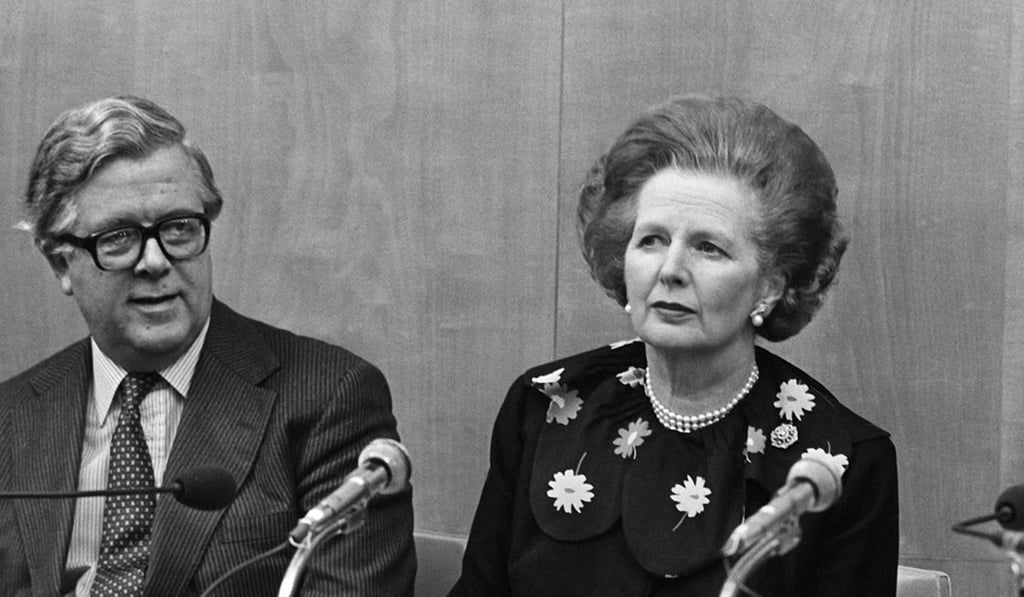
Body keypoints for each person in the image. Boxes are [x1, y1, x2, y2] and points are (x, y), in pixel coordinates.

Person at [449, 95, 898, 596]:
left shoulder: (837, 461)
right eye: (652, 241)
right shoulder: (547, 406)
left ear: (771, 285)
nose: (670, 270)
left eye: (709, 247)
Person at [0, 95, 415, 596]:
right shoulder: (11, 417)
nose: (155, 261)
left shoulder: (328, 398)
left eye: (178, 228)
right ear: (61, 263)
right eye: (119, 237)